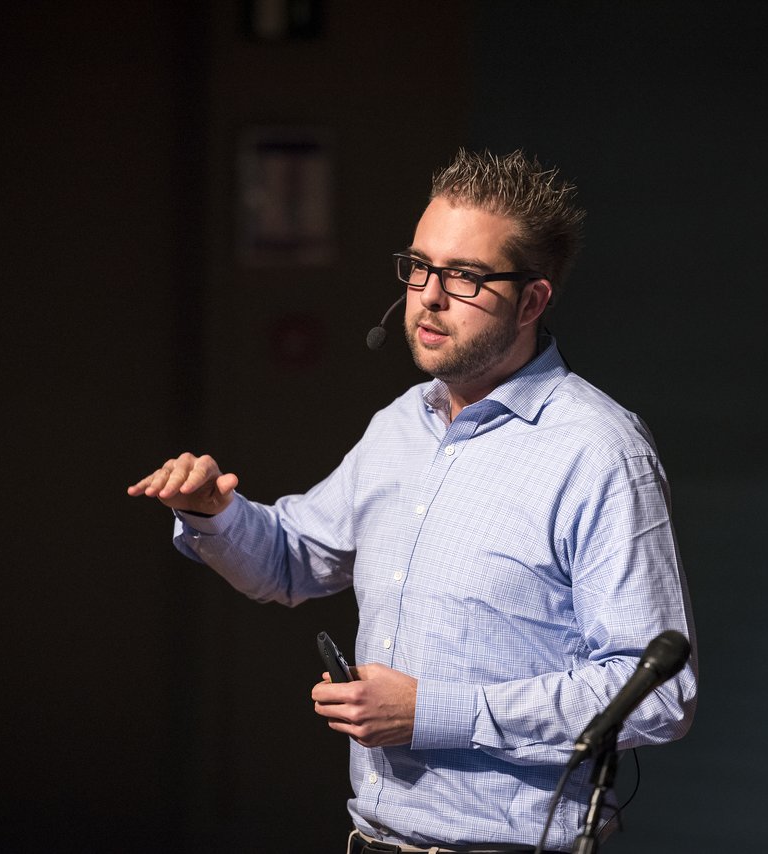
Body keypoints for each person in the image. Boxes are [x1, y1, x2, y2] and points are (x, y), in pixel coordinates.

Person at [128, 149, 697, 853]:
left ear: (532, 300)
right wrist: (214, 514)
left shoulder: (598, 451)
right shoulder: (401, 424)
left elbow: (657, 696)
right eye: (421, 266)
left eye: (463, 277)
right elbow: (292, 560)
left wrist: (433, 712)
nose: (427, 295)